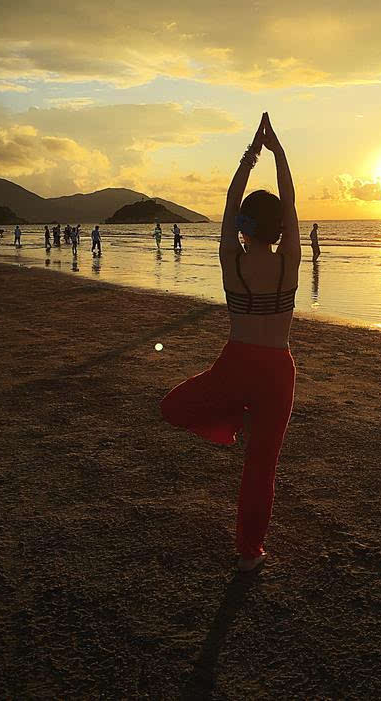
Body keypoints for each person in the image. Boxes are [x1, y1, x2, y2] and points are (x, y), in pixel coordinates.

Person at [161, 112, 300, 572]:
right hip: (278, 371)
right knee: (261, 467)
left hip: (237, 364)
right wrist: (279, 155)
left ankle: (233, 416)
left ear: (242, 225)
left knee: (173, 408)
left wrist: (251, 154)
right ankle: (249, 554)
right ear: (280, 227)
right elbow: (291, 204)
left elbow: (229, 201)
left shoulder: (231, 260)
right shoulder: (290, 261)